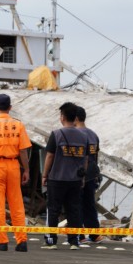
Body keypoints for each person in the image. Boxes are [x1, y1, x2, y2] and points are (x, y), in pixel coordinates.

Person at [0, 94, 31, 252]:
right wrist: (26, 169)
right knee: (17, 204)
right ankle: (21, 241)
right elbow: (23, 150)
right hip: (14, 165)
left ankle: (2, 242)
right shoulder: (18, 125)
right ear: (10, 107)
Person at [41, 102, 88, 250]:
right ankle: (74, 241)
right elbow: (86, 159)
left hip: (57, 178)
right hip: (75, 179)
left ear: (62, 117)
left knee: (53, 209)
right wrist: (83, 177)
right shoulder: (83, 136)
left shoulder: (56, 134)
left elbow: (49, 156)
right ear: (75, 118)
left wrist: (44, 175)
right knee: (73, 210)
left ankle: (51, 240)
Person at [75, 106, 104, 244]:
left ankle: (79, 235)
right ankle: (95, 234)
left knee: (76, 203)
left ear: (75, 118)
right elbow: (95, 155)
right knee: (90, 204)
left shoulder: (76, 134)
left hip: (79, 173)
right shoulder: (93, 135)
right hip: (92, 173)